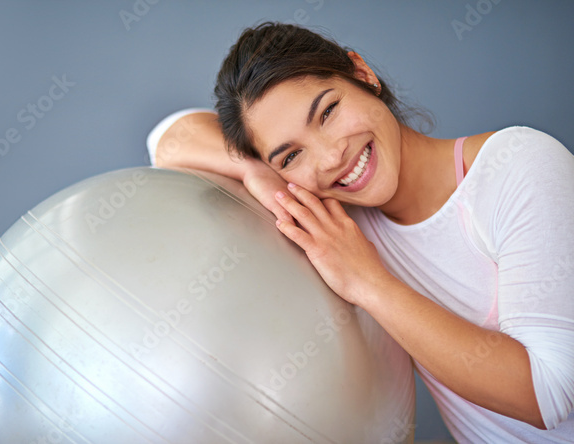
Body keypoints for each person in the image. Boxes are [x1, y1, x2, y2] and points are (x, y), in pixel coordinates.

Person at [147, 22, 574, 442]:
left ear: (361, 73)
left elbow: (547, 394)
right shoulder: (343, 215)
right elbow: (165, 138)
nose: (331, 157)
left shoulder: (518, 164)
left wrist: (367, 282)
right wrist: (253, 169)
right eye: (292, 154)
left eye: (327, 112)